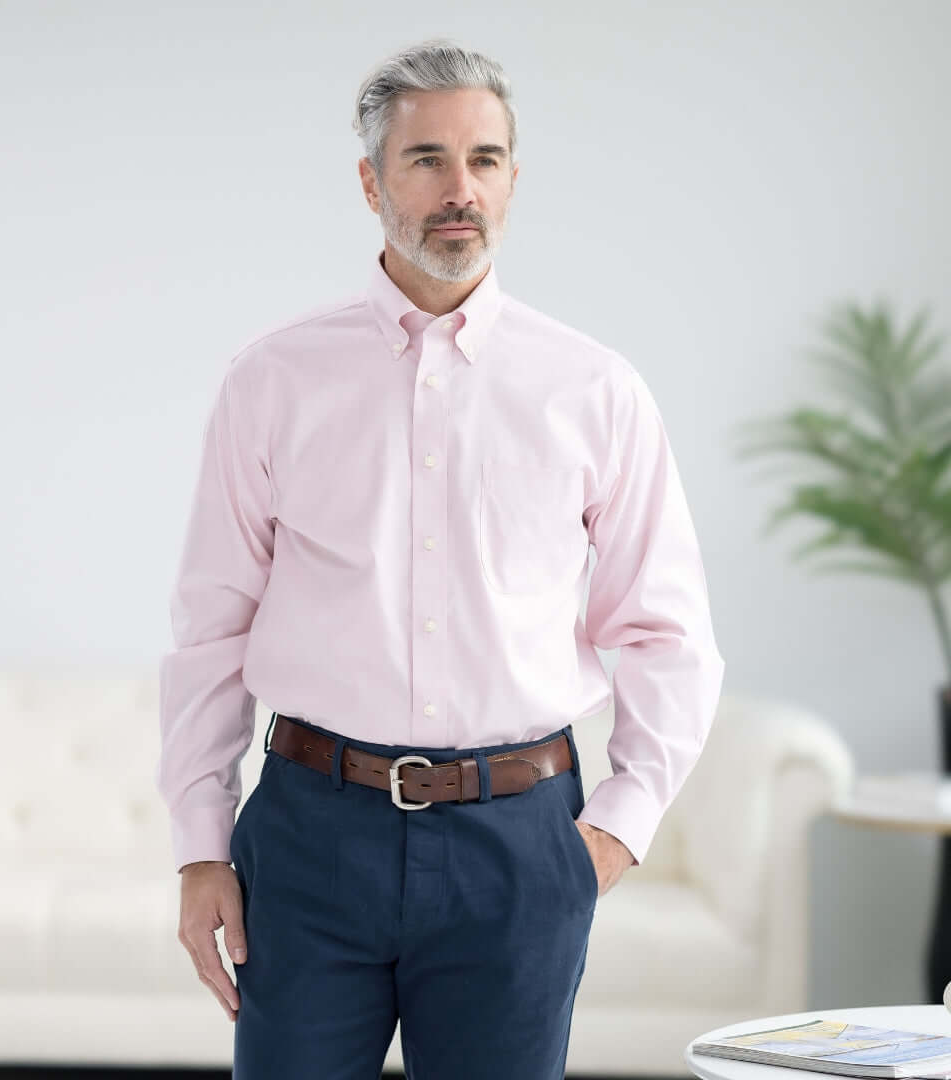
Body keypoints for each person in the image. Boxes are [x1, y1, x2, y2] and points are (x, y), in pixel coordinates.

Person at [156, 36, 725, 1080]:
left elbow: (666, 630)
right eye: (426, 159)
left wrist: (608, 837)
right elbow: (211, 627)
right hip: (309, 837)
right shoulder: (272, 383)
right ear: (371, 179)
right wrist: (201, 846)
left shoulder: (593, 391)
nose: (458, 189)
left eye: (486, 159)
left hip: (522, 843)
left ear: (513, 181)